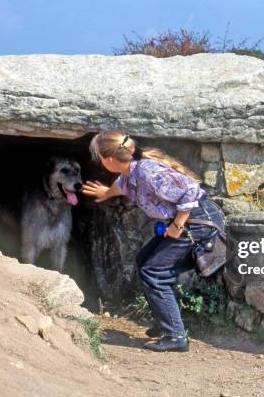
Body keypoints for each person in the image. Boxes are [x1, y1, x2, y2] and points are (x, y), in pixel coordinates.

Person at [82, 130, 226, 352]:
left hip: (197, 223)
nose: (100, 163)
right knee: (145, 260)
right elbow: (123, 184)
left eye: (100, 158)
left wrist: (177, 226)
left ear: (109, 159)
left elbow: (190, 191)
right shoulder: (132, 170)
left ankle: (175, 336)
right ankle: (165, 323)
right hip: (186, 222)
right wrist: (106, 192)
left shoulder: (149, 172)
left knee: (154, 272)